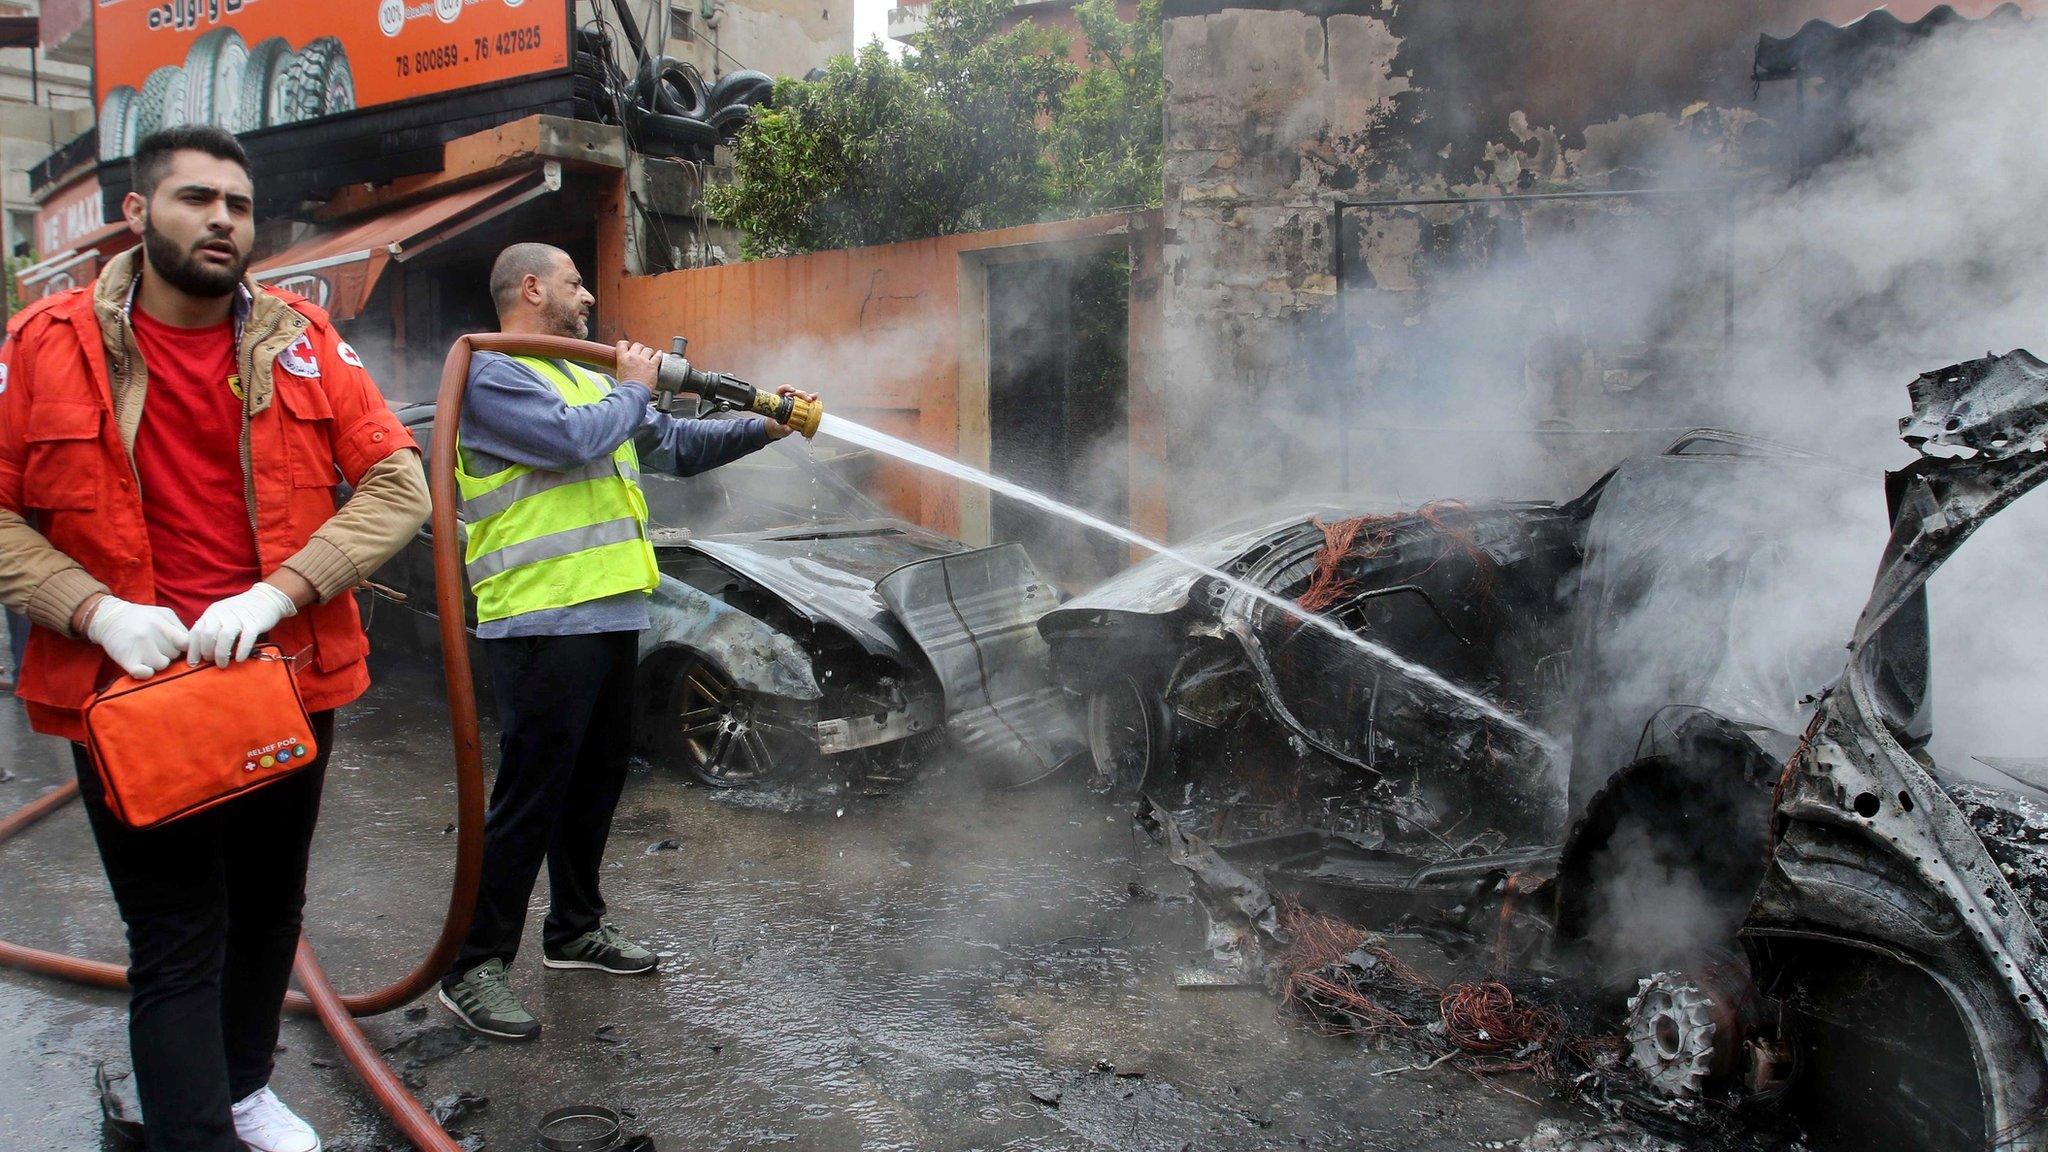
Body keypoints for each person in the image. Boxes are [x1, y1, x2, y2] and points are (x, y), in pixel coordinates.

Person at [0, 126, 429, 1152]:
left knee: (270, 910)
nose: (224, 219)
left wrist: (278, 595)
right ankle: (194, 1134)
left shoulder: (303, 341)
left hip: (282, 680)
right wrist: (92, 608)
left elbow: (396, 483)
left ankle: (242, 1088)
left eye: (238, 204)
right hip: (127, 699)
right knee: (178, 933)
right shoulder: (42, 345)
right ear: (140, 216)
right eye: (197, 198)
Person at [436, 243, 812, 1041]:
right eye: (575, 283)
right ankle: (474, 967)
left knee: (596, 782)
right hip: (539, 618)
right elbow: (573, 442)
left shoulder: (587, 380)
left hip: (610, 614)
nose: (586, 297)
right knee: (528, 798)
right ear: (531, 288)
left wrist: (765, 427)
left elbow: (673, 448)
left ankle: (574, 930)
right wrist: (635, 390)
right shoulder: (491, 374)